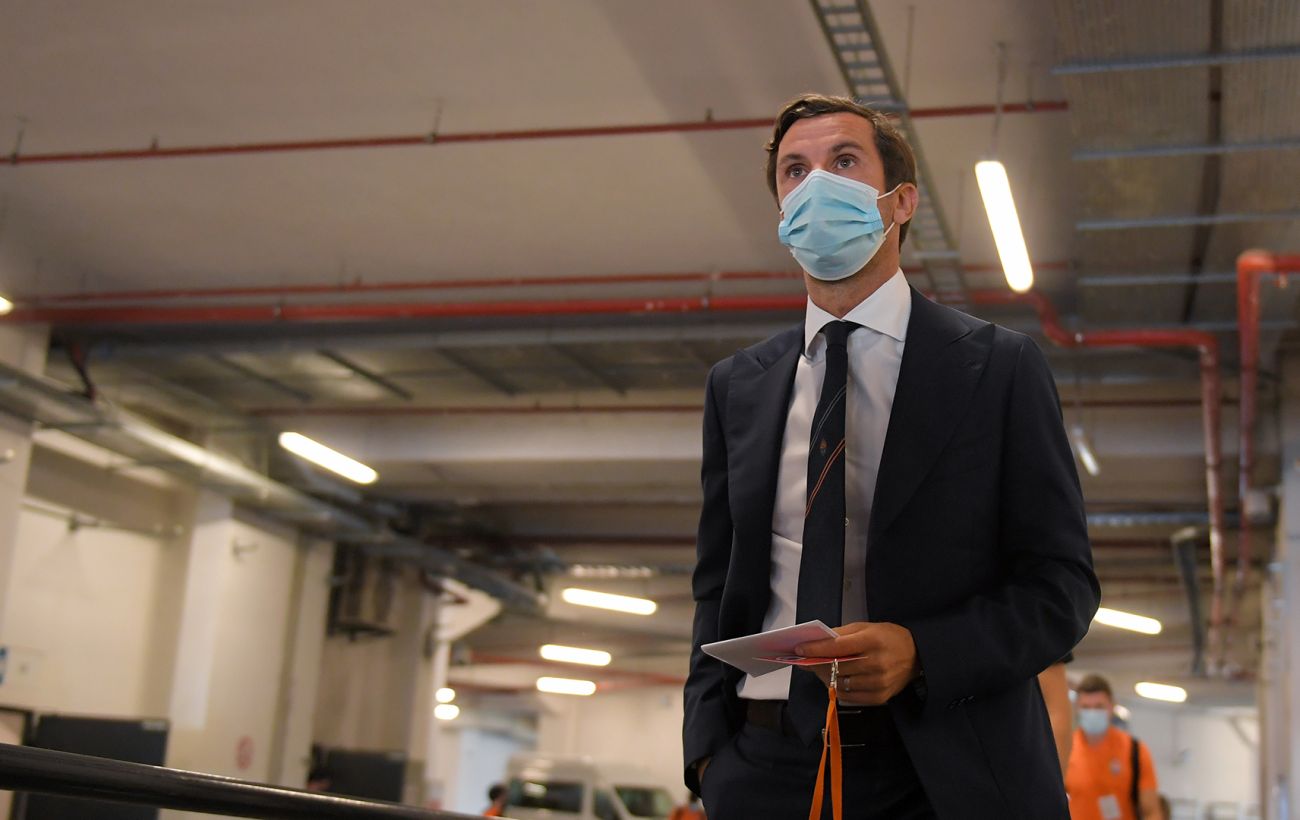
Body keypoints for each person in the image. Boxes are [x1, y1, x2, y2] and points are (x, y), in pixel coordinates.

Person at [681, 92, 1099, 819]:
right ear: (781, 212)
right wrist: (708, 753)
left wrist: (922, 652)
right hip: (766, 767)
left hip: (946, 770)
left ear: (900, 202)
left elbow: (1060, 585)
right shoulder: (737, 386)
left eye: (844, 161)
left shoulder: (999, 368)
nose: (816, 185)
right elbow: (717, 584)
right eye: (794, 171)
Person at [1065, 674, 1160, 820]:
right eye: (1086, 707)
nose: (1092, 713)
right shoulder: (1065, 749)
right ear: (1077, 708)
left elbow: (1151, 812)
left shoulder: (1134, 750)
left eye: (1099, 707)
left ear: (1111, 706)